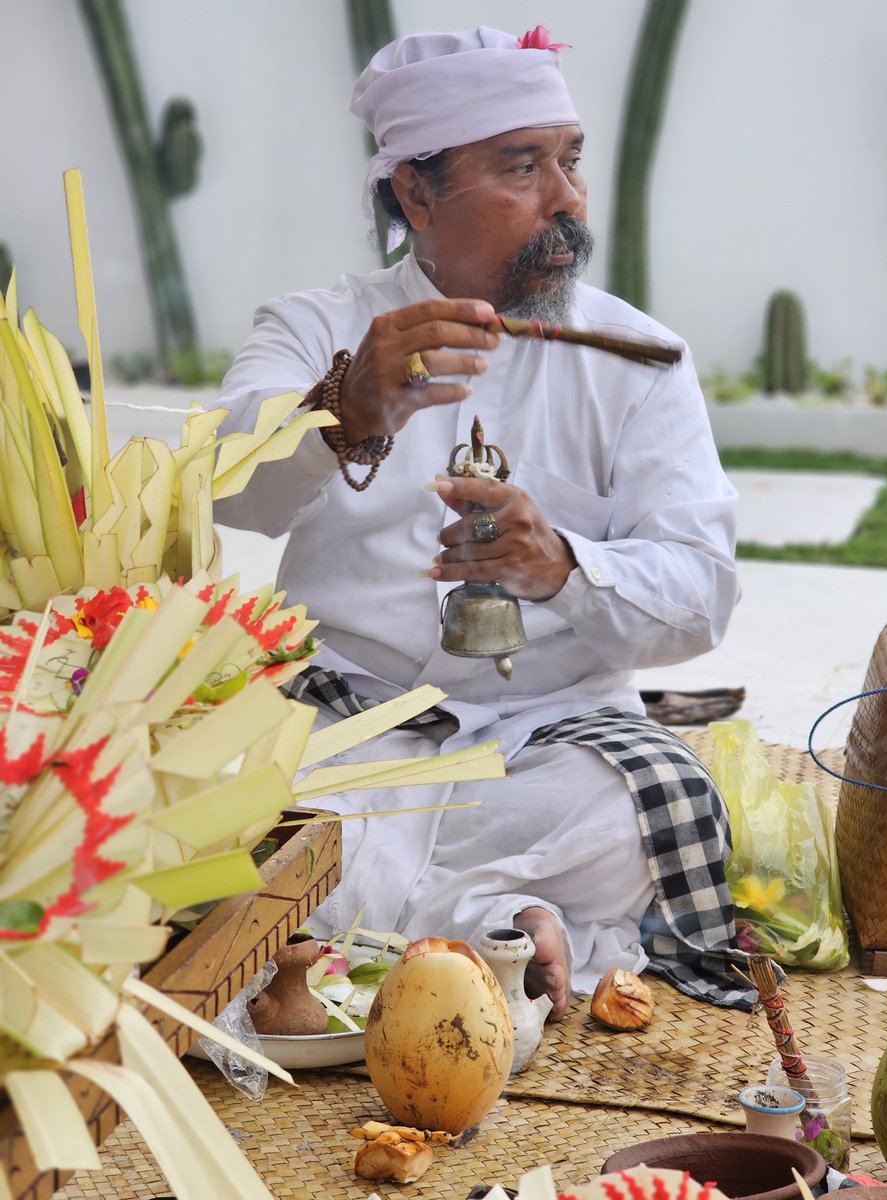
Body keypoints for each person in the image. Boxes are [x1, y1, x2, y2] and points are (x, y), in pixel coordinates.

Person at [213, 24, 751, 1018]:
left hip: (548, 741)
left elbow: (701, 597)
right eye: (522, 166)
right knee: (227, 801)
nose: (567, 199)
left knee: (646, 807)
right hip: (351, 722)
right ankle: (506, 929)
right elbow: (227, 484)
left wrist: (562, 565)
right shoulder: (317, 329)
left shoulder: (640, 357)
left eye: (571, 161)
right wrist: (343, 413)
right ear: (417, 191)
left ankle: (375, 941)